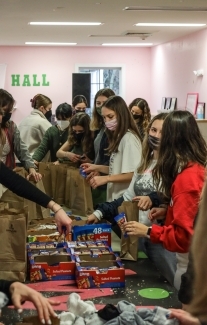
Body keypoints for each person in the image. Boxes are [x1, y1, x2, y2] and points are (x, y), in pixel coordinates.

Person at [87, 113, 176, 285]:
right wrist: (99, 212)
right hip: (138, 237)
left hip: (162, 240)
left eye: (162, 132)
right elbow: (127, 198)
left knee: (168, 286)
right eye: (153, 129)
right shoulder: (144, 163)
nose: (156, 135)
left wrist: (154, 199)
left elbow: (174, 200)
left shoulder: (175, 164)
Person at [123, 110, 207, 290]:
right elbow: (193, 215)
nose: (157, 139)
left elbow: (183, 238)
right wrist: (169, 211)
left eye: (164, 134)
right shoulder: (194, 169)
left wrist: (147, 231)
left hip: (190, 267)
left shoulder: (187, 179)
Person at [82, 95, 142, 202]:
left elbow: (133, 174)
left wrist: (105, 178)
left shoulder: (129, 139)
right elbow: (118, 169)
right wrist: (96, 167)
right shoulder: (119, 136)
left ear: (121, 115)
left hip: (125, 198)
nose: (107, 121)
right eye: (104, 117)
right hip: (115, 198)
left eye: (110, 116)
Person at [0, 89, 41, 182]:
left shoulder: (11, 126)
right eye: (6, 110)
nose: (9, 113)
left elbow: (22, 150)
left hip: (6, 179)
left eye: (10, 110)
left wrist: (31, 168)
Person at [90, 88, 115, 205]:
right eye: (98, 103)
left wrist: (99, 170)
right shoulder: (99, 127)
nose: (101, 107)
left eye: (104, 103)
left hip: (108, 180)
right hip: (98, 176)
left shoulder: (112, 129)